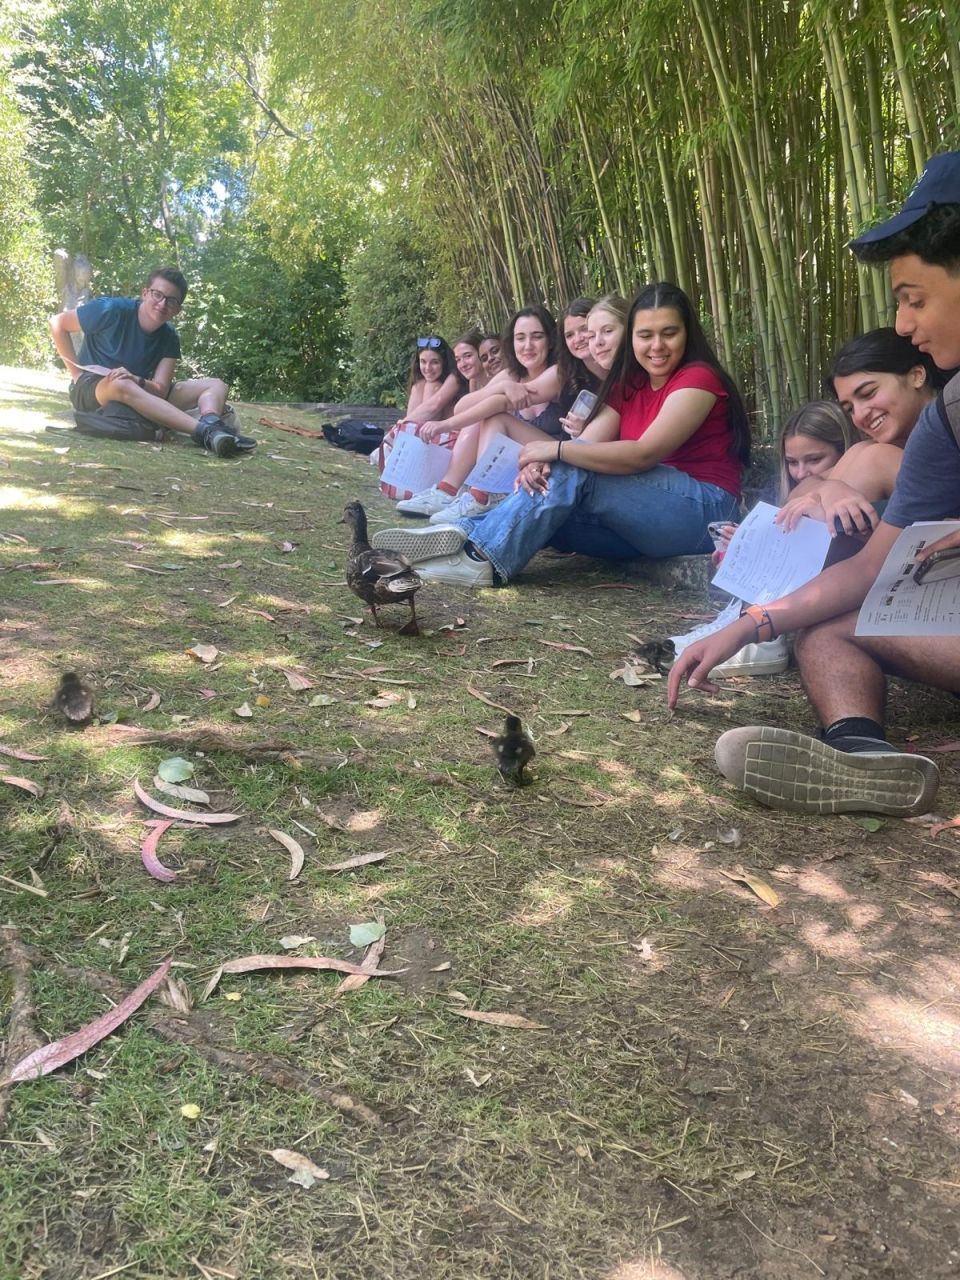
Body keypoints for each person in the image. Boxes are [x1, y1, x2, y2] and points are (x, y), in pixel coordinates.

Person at [667, 151, 960, 817]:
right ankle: (864, 761)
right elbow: (868, 568)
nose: (906, 327)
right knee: (826, 627)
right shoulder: (948, 416)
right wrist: (751, 623)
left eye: (914, 300)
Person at [374, 281, 750, 585]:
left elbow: (643, 454)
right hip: (647, 519)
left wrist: (552, 452)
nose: (656, 346)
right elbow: (586, 445)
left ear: (688, 333)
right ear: (634, 338)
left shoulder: (697, 379)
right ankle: (459, 533)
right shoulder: (627, 387)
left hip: (705, 512)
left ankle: (478, 558)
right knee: (550, 503)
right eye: (646, 335)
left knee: (569, 463)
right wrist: (543, 464)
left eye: (669, 333)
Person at [48, 266, 255, 457]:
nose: (162, 304)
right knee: (120, 383)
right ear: (145, 293)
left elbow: (160, 389)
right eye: (157, 294)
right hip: (95, 388)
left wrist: (137, 380)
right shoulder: (110, 310)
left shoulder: (169, 337)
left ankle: (212, 421)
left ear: (178, 310)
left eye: (171, 301)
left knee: (216, 385)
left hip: (141, 392)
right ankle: (205, 432)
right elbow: (57, 324)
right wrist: (76, 374)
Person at [392, 305, 562, 519]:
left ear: (550, 340)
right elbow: (463, 407)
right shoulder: (512, 375)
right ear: (512, 342)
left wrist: (445, 425)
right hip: (522, 459)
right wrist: (501, 386)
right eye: (520, 338)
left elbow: (500, 405)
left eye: (536, 337)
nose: (527, 346)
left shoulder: (557, 372)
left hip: (554, 457)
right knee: (479, 414)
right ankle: (448, 491)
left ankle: (482, 494)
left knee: (493, 416)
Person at [377, 336, 465, 500]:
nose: (428, 368)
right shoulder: (420, 385)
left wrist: (401, 426)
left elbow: (434, 406)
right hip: (427, 444)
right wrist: (404, 428)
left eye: (435, 362)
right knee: (420, 385)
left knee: (432, 385)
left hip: (450, 449)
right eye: (423, 362)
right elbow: (413, 424)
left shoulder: (455, 378)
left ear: (445, 362)